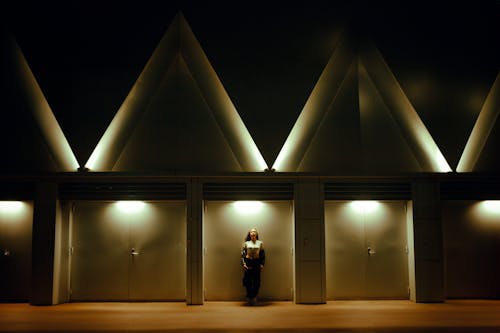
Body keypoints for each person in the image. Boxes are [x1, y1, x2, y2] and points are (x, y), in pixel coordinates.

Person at [241, 228, 265, 305]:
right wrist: (243, 264)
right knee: (247, 280)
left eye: (254, 231)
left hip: (256, 262)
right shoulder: (246, 243)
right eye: (251, 232)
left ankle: (254, 296)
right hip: (248, 262)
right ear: (249, 234)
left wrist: (262, 264)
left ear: (257, 234)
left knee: (256, 280)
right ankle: (249, 296)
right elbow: (242, 255)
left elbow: (262, 255)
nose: (253, 233)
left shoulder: (260, 243)